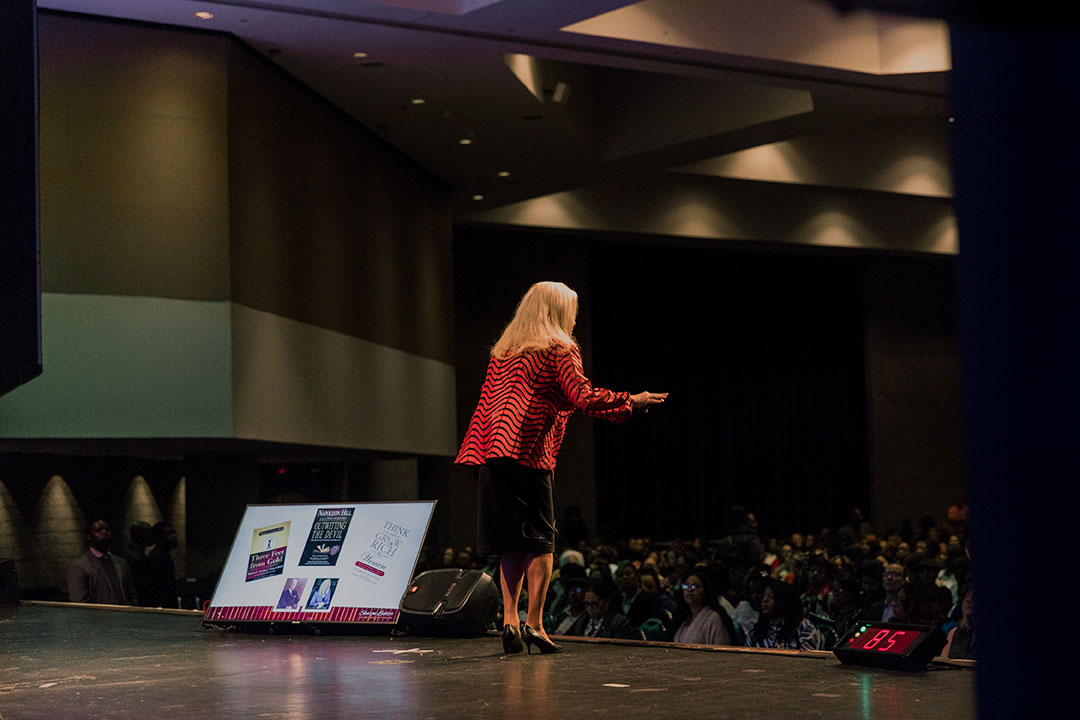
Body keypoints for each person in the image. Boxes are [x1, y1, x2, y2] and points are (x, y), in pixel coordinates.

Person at [455, 281, 667, 655]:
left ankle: (509, 620)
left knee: (511, 543)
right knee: (541, 542)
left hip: (489, 453)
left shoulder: (504, 353)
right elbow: (583, 397)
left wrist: (625, 409)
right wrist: (631, 400)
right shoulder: (558, 349)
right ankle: (535, 623)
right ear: (558, 311)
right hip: (527, 456)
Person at [67, 519, 138, 606]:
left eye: (107, 530)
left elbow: (131, 593)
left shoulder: (121, 562)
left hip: (125, 616)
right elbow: (80, 601)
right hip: (100, 618)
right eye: (98, 530)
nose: (104, 532)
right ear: (89, 536)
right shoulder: (79, 566)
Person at [746, 579, 823, 650]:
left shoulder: (804, 628)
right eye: (764, 595)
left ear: (784, 601)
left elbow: (808, 661)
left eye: (771, 596)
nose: (765, 600)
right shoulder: (755, 633)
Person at [670, 571, 736, 646]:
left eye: (696, 586)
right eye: (686, 585)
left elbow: (721, 650)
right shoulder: (683, 617)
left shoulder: (714, 619)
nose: (690, 590)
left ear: (705, 591)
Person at [567, 580, 641, 640]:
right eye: (587, 604)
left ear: (606, 602)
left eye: (594, 604)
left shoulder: (619, 623)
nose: (590, 608)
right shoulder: (583, 620)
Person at [142, 522, 179, 608]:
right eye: (169, 533)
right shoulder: (156, 558)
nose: (174, 536)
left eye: (174, 532)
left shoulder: (163, 556)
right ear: (158, 537)